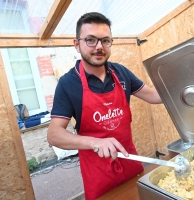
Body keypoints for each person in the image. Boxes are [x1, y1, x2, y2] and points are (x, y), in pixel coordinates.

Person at [47, 12, 162, 200]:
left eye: (105, 40)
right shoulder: (68, 83)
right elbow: (54, 135)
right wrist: (94, 142)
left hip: (130, 162)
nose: (99, 47)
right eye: (91, 40)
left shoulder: (121, 72)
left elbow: (153, 96)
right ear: (77, 45)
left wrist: (181, 85)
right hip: (98, 173)